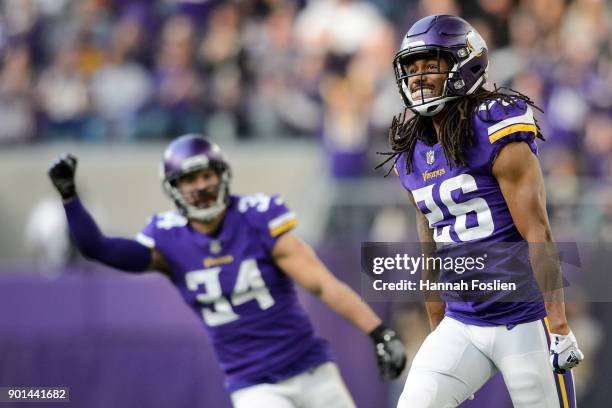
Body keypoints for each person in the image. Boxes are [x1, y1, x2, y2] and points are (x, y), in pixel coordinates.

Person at [47, 134, 406, 408]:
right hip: (254, 385)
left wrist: (378, 332)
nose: (200, 185)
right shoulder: (168, 240)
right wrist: (70, 198)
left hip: (312, 369)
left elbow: (324, 285)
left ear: (221, 175)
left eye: (205, 174)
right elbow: (98, 248)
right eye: (189, 180)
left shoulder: (255, 218)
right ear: (174, 189)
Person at [377, 15, 584, 407]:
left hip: (524, 320)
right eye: (412, 69)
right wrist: (438, 330)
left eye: (431, 65)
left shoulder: (495, 126)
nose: (418, 77)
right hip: (463, 322)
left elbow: (537, 231)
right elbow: (430, 252)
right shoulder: (412, 153)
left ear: (462, 63)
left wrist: (558, 327)